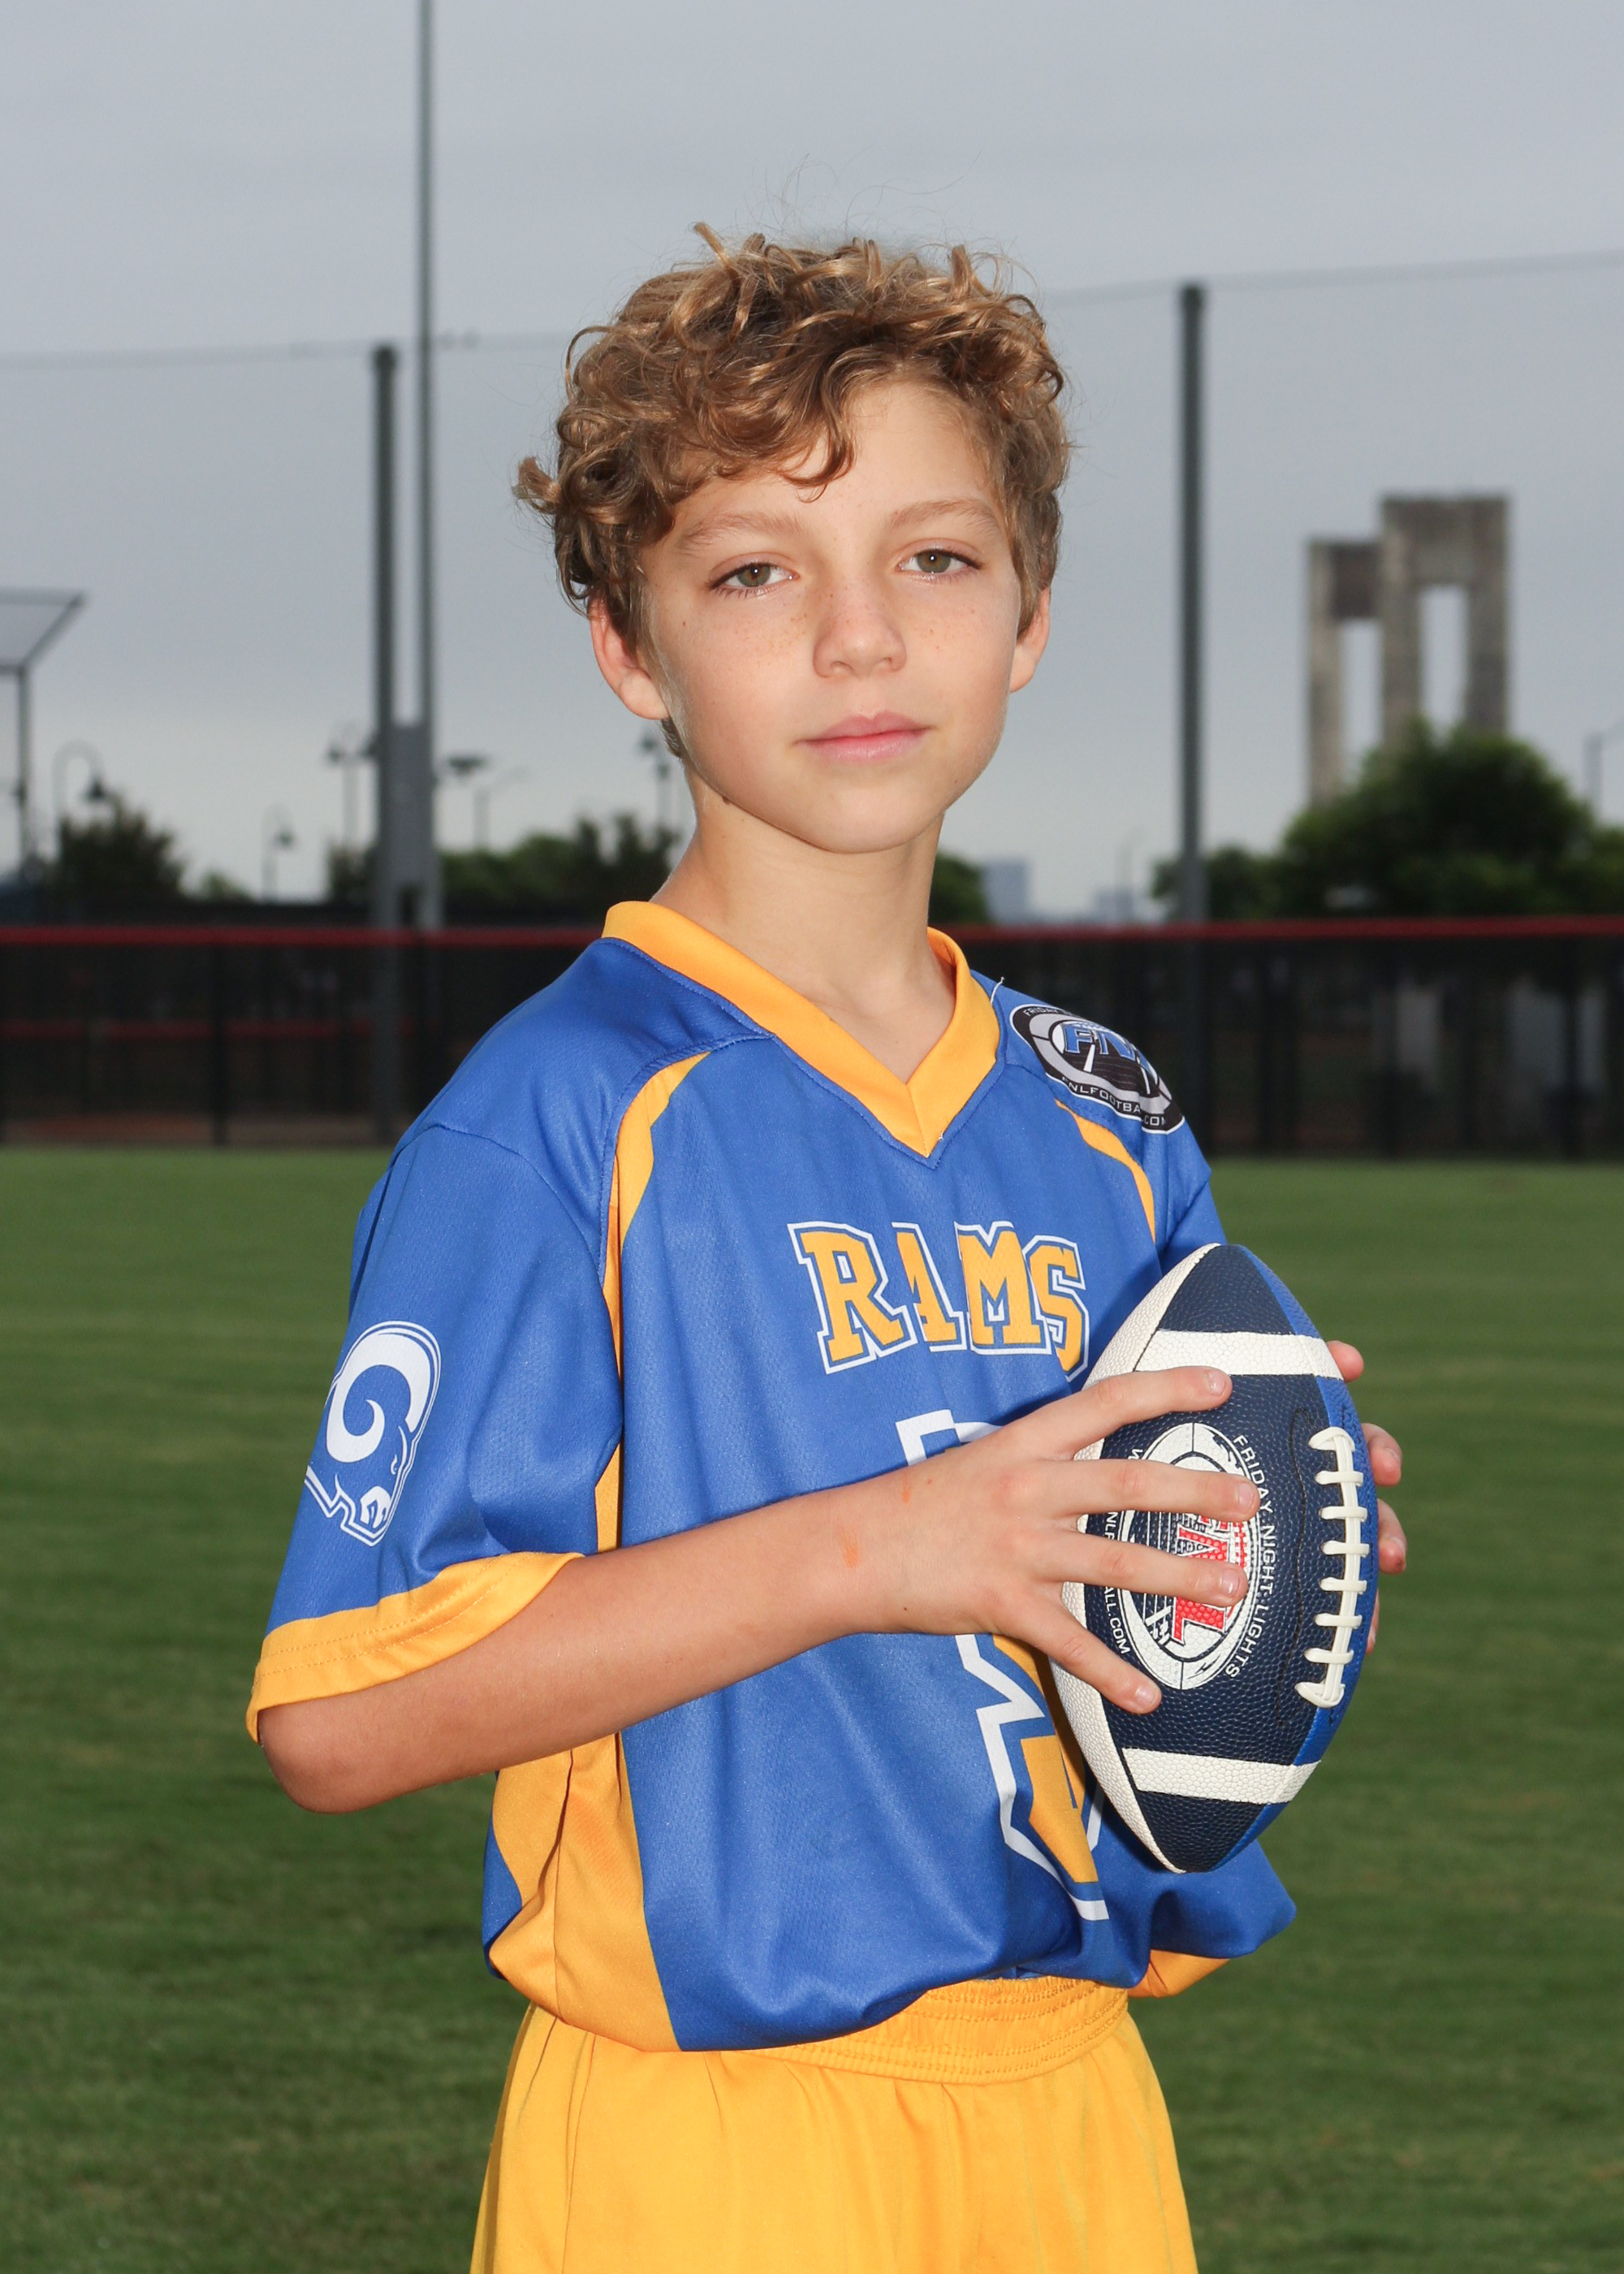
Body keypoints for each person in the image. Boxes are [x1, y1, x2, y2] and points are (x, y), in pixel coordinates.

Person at [252, 231, 1406, 2273]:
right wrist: (887, 1547)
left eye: (933, 558)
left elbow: (1119, 1600)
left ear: (1028, 615)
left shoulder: (1109, 1117)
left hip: (1073, 2113)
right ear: (630, 648)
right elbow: (343, 1720)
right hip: (713, 2146)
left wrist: (1249, 1558)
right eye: (755, 573)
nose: (860, 636)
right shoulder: (561, 1117)